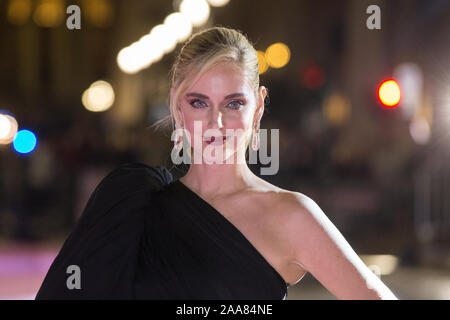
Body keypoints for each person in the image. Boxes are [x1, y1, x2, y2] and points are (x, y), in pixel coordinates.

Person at [35, 27, 397, 300]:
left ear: (258, 105)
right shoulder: (132, 203)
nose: (216, 123)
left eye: (233, 103)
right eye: (199, 103)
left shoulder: (291, 215)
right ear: (177, 106)